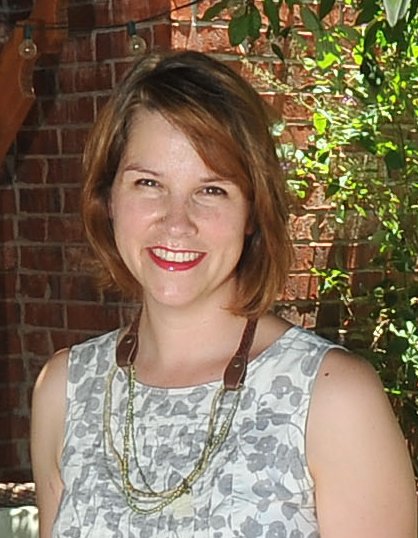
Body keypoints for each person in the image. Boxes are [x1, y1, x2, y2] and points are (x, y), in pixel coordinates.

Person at [30, 50, 417, 538]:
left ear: (253, 210)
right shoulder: (63, 392)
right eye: (148, 183)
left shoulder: (333, 398)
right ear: (108, 199)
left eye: (212, 190)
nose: (176, 222)